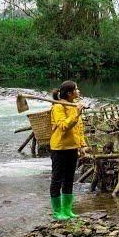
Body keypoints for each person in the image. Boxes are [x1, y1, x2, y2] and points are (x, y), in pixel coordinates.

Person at [49, 80, 87, 220]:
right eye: (77, 89)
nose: (79, 91)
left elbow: (79, 128)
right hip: (59, 148)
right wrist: (76, 114)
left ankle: (67, 210)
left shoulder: (73, 105)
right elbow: (64, 126)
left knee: (69, 179)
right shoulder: (58, 107)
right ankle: (57, 212)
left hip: (72, 147)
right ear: (70, 93)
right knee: (57, 179)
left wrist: (81, 145)